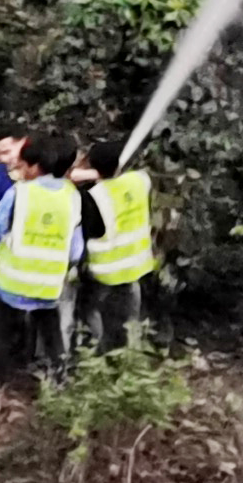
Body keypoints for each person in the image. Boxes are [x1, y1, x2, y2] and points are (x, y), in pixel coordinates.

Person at [0, 129, 76, 415]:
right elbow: (75, 248)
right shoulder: (72, 197)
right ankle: (59, 392)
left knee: (2, 338)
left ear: (35, 166)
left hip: (12, 284)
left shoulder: (19, 194)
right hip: (48, 286)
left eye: (23, 165)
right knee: (53, 337)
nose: (19, 169)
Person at [80, 146, 156, 352]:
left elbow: (89, 231)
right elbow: (136, 173)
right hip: (137, 262)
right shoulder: (140, 181)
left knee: (89, 307)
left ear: (93, 168)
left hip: (106, 269)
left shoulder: (94, 196)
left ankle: (98, 350)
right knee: (131, 304)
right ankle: (133, 347)